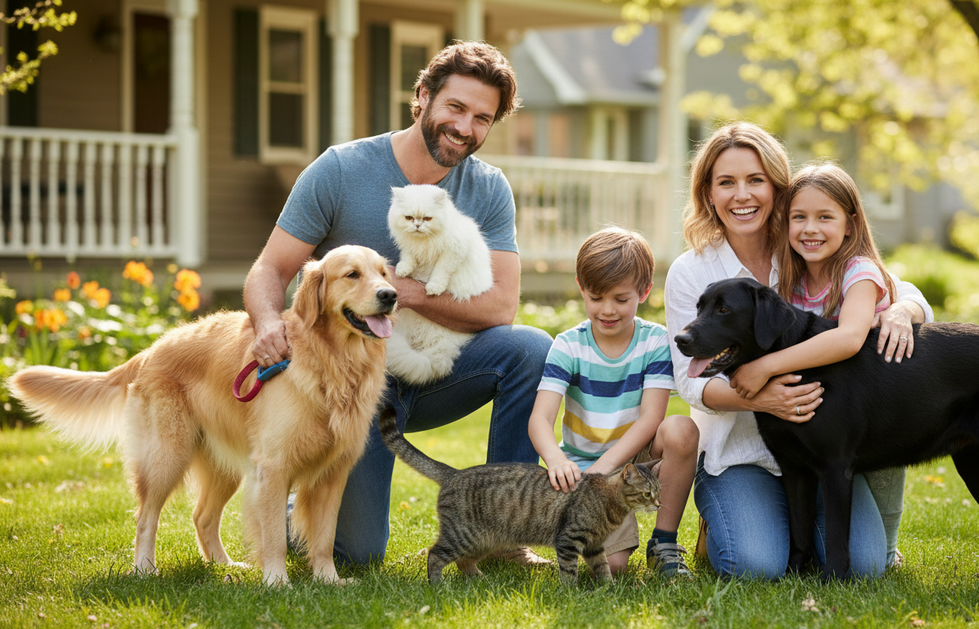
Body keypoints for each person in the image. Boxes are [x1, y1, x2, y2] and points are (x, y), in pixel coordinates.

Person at [243, 41, 553, 566]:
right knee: (358, 554)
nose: (465, 128)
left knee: (529, 349)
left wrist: (400, 294)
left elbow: (501, 306)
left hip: (431, 373)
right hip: (347, 387)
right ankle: (302, 506)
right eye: (456, 108)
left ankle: (504, 538)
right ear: (423, 96)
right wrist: (268, 321)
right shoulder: (340, 170)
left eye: (483, 118)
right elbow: (269, 268)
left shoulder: (489, 189)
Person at [663, 122, 933, 579]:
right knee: (756, 565)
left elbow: (890, 286)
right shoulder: (693, 271)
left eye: (755, 180)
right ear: (708, 193)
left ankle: (815, 532)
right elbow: (690, 383)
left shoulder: (802, 243)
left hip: (821, 445)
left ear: (776, 189)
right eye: (726, 182)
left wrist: (903, 309)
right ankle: (726, 522)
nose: (741, 194)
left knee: (865, 567)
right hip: (741, 451)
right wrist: (763, 396)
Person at [728, 161, 911, 569]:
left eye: (824, 217)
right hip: (826, 416)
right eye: (799, 218)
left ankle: (887, 545)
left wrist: (764, 367)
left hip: (874, 410)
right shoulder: (791, 282)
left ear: (850, 224)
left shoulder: (857, 271)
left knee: (882, 476)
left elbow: (848, 338)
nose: (810, 228)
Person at [528, 227, 700, 578]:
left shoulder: (654, 343)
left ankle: (664, 543)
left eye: (621, 300)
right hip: (583, 468)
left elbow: (651, 419)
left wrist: (606, 466)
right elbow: (540, 420)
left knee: (681, 429)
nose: (607, 310)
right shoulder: (568, 345)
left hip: (632, 459)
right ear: (581, 287)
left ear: (644, 291)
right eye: (596, 297)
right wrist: (558, 460)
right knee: (613, 568)